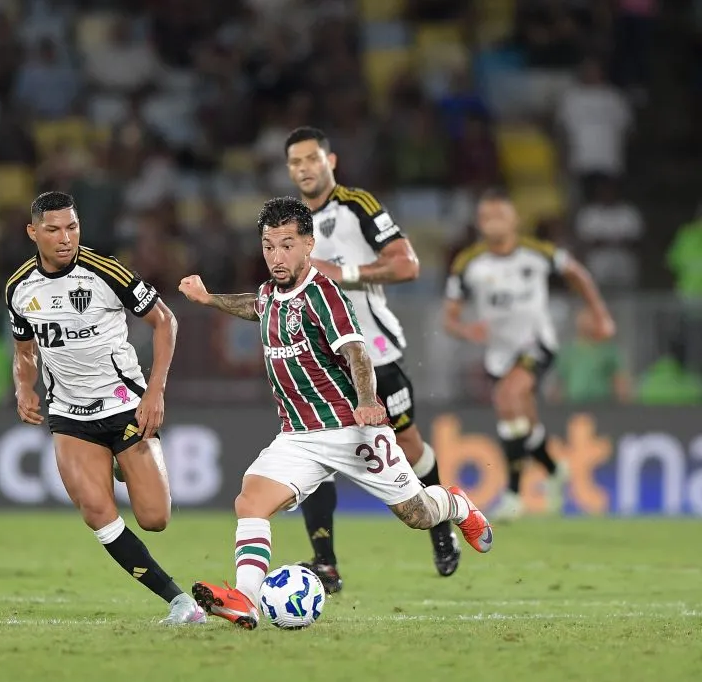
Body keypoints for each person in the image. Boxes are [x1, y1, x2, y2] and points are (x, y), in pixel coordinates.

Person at [178, 197, 493, 630]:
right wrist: (210, 298)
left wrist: (367, 402)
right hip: (298, 437)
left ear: (309, 244)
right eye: (268, 246)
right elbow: (256, 306)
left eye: (287, 245)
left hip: (350, 430)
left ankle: (455, 504)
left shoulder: (324, 293)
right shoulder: (272, 292)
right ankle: (245, 599)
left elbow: (357, 352)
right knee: (249, 501)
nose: (276, 256)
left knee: (416, 514)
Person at [6, 191, 205, 626]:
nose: (65, 238)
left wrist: (155, 392)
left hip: (124, 406)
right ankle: (178, 601)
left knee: (155, 519)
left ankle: (122, 463)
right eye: (54, 229)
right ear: (33, 232)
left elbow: (164, 320)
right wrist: (24, 386)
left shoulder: (106, 272)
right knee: (97, 512)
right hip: (69, 414)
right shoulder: (19, 288)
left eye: (72, 227)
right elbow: (24, 349)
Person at [282, 125, 460, 588]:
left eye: (311, 159)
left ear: (330, 161)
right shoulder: (291, 221)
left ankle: (441, 526)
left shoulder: (357, 205)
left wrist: (342, 272)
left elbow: (408, 265)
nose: (304, 169)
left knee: (409, 446)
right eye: (295, 163)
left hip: (375, 353)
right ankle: (326, 564)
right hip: (322, 359)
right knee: (312, 451)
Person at [445, 188, 616, 520]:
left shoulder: (536, 252)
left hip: (536, 344)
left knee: (508, 397)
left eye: (500, 215)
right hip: (499, 353)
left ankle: (512, 495)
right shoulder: (469, 263)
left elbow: (578, 274)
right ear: (479, 223)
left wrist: (600, 314)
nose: (493, 223)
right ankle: (553, 469)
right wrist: (468, 330)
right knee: (523, 421)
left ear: (515, 219)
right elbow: (449, 318)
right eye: (486, 217)